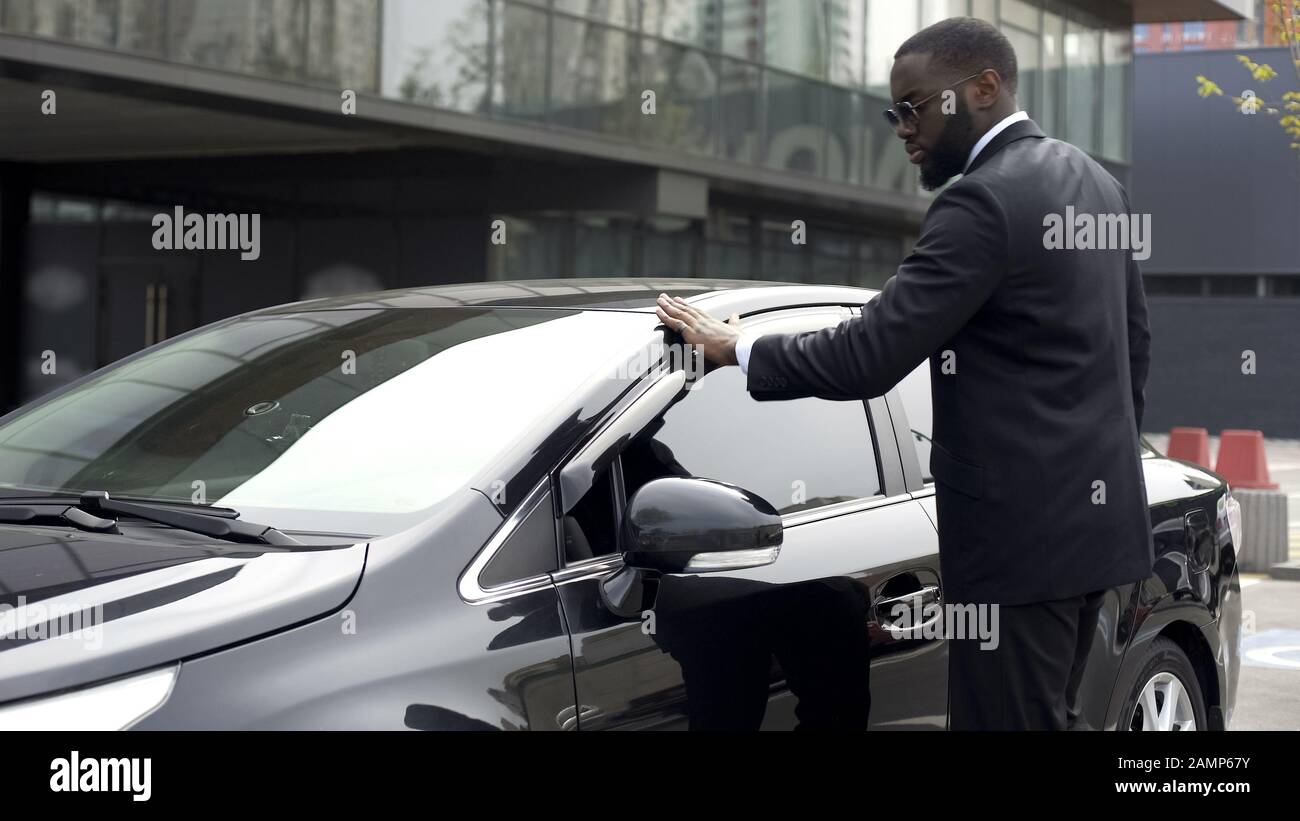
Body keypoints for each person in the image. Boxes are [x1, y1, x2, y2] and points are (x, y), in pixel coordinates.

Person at [654, 16, 1154, 731]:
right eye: (894, 111)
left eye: (913, 106)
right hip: (1096, 535)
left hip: (1017, 548)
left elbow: (870, 352)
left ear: (983, 88)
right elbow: (1134, 348)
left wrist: (739, 347)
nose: (900, 126)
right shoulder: (1097, 184)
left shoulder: (981, 199)